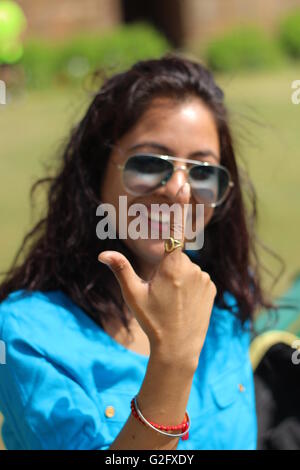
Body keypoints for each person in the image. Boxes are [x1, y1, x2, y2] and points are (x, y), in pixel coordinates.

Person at [0, 54, 274, 450]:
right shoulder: (25, 336)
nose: (179, 190)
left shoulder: (225, 289)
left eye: (203, 171)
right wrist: (173, 360)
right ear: (97, 168)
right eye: (149, 163)